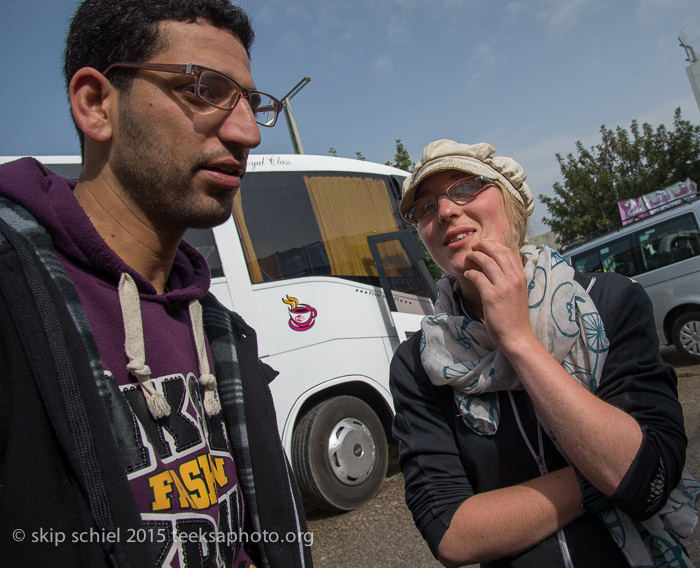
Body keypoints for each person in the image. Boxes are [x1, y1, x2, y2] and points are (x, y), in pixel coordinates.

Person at [0, 1, 313, 567]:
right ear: (97, 105)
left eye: (251, 102)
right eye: (204, 88)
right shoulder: (13, 303)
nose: (247, 133)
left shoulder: (221, 333)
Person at [390, 139, 698, 567]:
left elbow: (651, 478)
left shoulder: (606, 304)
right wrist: (600, 478)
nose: (444, 211)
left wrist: (518, 340)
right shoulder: (420, 363)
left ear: (512, 203)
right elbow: (452, 534)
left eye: (465, 187)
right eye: (424, 207)